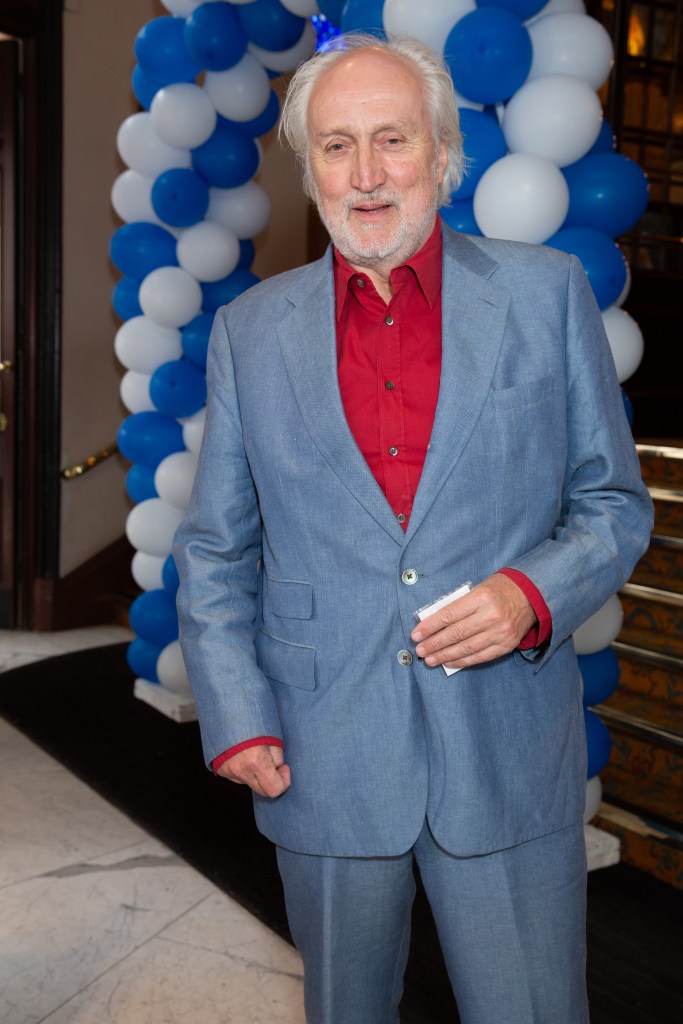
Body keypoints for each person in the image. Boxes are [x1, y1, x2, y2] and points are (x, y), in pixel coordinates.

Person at [174, 33, 653, 1024]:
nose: (365, 174)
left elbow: (612, 503)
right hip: (320, 753)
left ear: (441, 153)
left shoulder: (543, 295)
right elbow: (218, 548)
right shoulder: (250, 332)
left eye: (391, 139)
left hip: (506, 747)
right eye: (336, 146)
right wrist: (237, 710)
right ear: (310, 169)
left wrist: (529, 594)